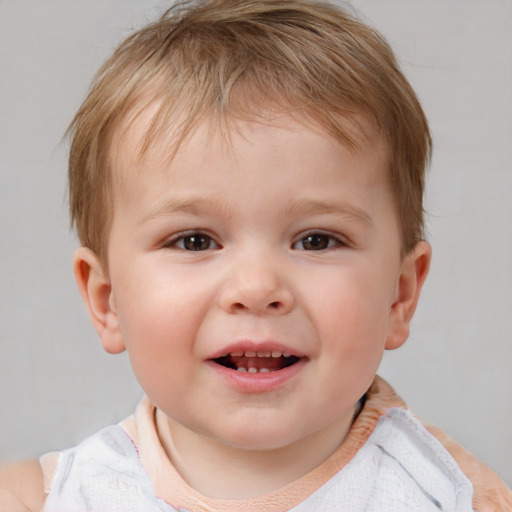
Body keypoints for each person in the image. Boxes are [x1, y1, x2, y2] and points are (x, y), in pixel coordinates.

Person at [1, 0, 511, 510]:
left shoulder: (453, 497)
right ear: (107, 300)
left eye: (316, 240)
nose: (257, 288)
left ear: (399, 295)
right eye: (194, 241)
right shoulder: (46, 498)